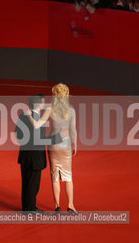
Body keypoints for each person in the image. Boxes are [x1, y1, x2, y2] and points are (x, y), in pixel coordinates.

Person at [26, 83, 78, 213]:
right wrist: (75, 144)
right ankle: (71, 205)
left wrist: (29, 115)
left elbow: (37, 125)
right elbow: (73, 130)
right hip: (66, 143)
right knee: (68, 177)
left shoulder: (50, 109)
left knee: (55, 176)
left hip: (54, 145)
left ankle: (57, 206)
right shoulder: (71, 110)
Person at [15, 94, 46, 212]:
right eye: (43, 102)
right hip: (35, 157)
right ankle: (30, 209)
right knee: (33, 184)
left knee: (26, 182)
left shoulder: (22, 116)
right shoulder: (39, 118)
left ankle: (26, 207)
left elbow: (17, 134)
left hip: (25, 155)